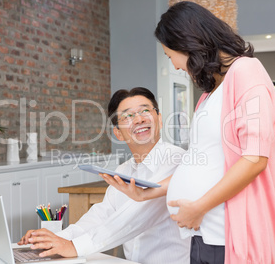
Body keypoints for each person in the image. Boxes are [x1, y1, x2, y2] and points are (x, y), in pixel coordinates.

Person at [102, 1, 275, 264]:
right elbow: (201, 163)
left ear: (187, 42)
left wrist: (200, 207)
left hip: (226, 233)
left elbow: (254, 159)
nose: (174, 66)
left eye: (170, 55)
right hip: (202, 232)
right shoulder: (210, 94)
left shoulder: (246, 71)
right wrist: (147, 193)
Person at [18, 87, 191, 264]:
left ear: (159, 119)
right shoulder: (124, 169)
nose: (139, 119)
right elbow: (101, 215)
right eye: (128, 116)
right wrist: (53, 238)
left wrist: (74, 246)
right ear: (118, 133)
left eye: (145, 110)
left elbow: (136, 216)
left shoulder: (177, 160)